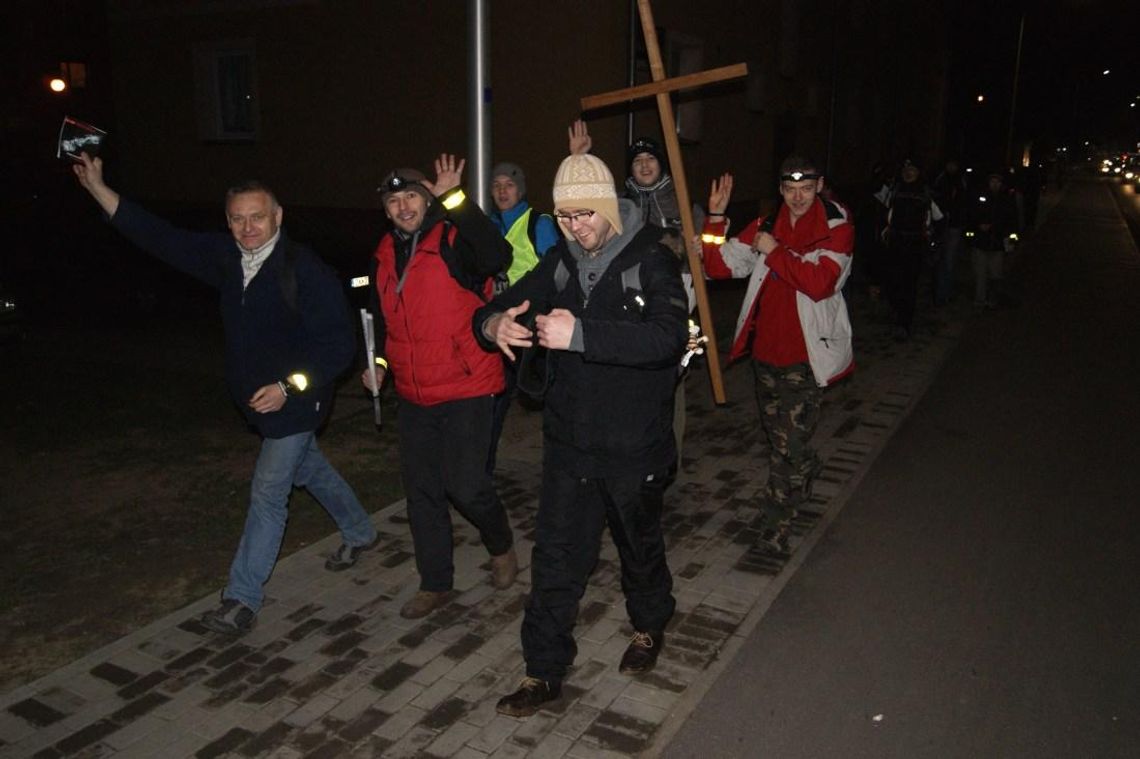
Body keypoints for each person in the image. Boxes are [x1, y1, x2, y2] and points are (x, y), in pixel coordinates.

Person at [72, 154, 377, 636]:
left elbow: (338, 346)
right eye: (237, 218)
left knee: (270, 490)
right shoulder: (227, 258)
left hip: (298, 401)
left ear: (277, 217)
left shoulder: (305, 269)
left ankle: (241, 599)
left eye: (258, 216)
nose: (248, 227)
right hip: (258, 405)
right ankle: (360, 531)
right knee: (308, 469)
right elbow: (162, 238)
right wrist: (97, 189)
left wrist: (286, 387)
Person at [476, 152, 688, 717]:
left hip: (632, 444)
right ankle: (542, 671)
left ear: (606, 207)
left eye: (584, 215)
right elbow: (504, 298)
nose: (575, 227)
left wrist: (584, 335)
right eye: (565, 216)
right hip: (570, 444)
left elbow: (668, 339)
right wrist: (492, 322)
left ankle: (649, 625)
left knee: (637, 548)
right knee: (556, 560)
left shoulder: (651, 261)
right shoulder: (561, 260)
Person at [363, 154, 517, 620]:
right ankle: (435, 583)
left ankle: (501, 544)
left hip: (467, 384)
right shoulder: (383, 255)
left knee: (467, 486)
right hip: (413, 393)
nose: (404, 206)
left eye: (412, 195)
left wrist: (457, 199)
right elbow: (381, 320)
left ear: (428, 199)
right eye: (394, 200)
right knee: (423, 491)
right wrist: (378, 364)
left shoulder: (454, 239)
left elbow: (498, 256)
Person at [699, 155, 855, 555]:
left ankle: (775, 527)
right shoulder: (767, 224)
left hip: (807, 358)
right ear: (781, 189)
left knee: (785, 448)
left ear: (819, 186)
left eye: (806, 188)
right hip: (765, 355)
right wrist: (715, 218)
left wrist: (773, 252)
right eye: (790, 189)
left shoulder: (836, 225)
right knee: (781, 440)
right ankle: (805, 466)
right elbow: (719, 267)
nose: (798, 197)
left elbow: (820, 283)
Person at [485, 162, 559, 474]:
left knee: (547, 396)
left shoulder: (538, 223)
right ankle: (482, 469)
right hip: (499, 327)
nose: (502, 190)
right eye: (497, 185)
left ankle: (561, 468)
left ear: (521, 189)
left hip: (532, 328)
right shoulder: (487, 225)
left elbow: (556, 273)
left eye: (509, 185)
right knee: (491, 401)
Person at [881, 158, 943, 339]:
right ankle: (896, 313)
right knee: (893, 281)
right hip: (895, 242)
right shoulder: (895, 190)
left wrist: (932, 238)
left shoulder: (925, 192)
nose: (908, 173)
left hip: (915, 244)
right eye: (906, 170)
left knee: (909, 284)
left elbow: (938, 217)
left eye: (913, 170)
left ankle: (904, 322)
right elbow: (883, 211)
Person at [966, 170, 1019, 309]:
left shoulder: (1007, 199)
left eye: (997, 182)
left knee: (996, 274)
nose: (995, 184)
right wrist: (977, 227)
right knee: (980, 274)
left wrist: (1011, 239)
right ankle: (979, 300)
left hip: (998, 243)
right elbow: (971, 215)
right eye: (992, 181)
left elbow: (1012, 221)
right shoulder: (980, 196)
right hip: (980, 242)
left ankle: (992, 299)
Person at [932, 159, 968, 306]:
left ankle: (945, 292)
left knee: (949, 260)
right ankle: (938, 290)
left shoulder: (961, 180)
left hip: (954, 225)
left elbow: (964, 202)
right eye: (949, 164)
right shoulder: (940, 179)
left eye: (954, 164)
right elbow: (935, 199)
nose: (951, 166)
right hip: (940, 225)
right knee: (939, 259)